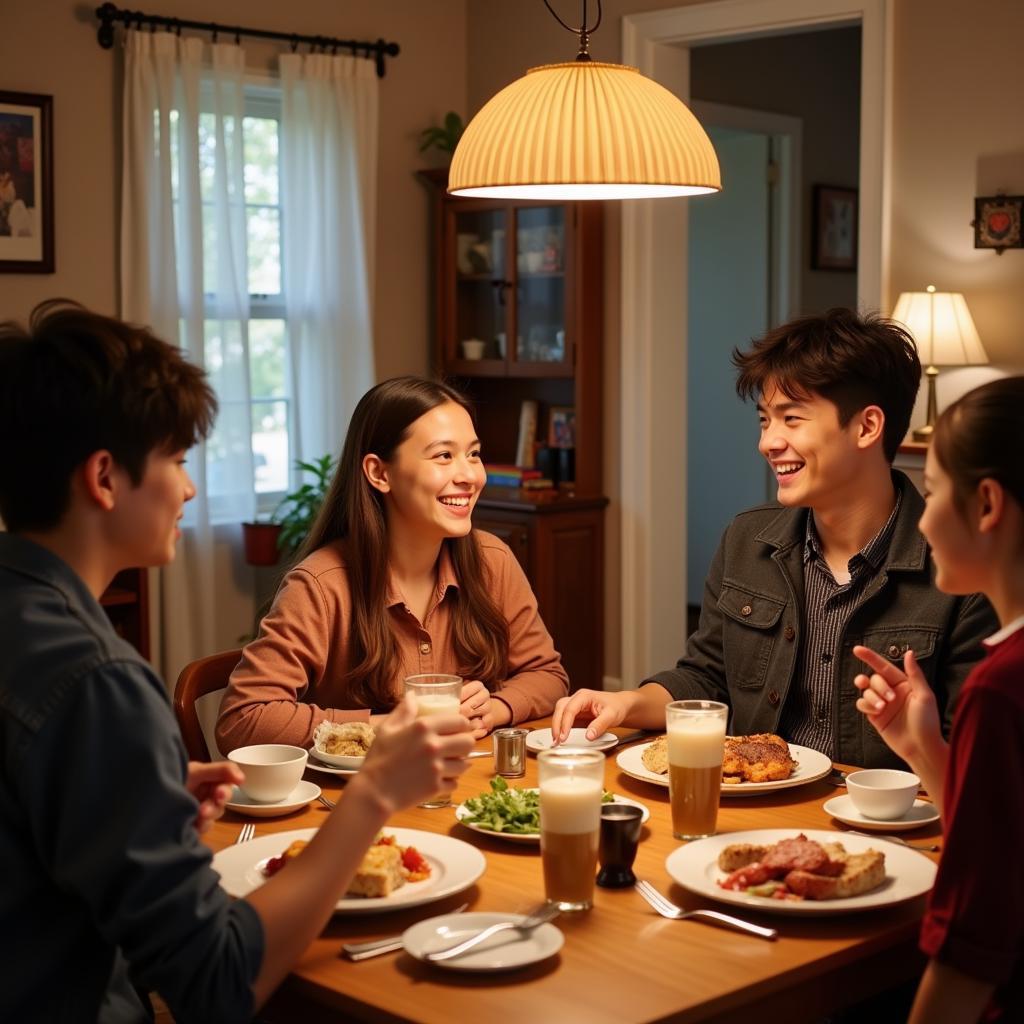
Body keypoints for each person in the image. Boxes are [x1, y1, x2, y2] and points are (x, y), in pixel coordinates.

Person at [0, 302, 474, 1023]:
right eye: (177, 460)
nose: (188, 489)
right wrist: (372, 795)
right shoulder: (99, 682)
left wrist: (135, 792)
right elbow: (216, 985)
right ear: (104, 478)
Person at [551, 308, 996, 768]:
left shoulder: (959, 569)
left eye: (792, 419)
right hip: (755, 809)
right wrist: (626, 703)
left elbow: (972, 756)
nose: (768, 442)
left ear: (867, 427)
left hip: (885, 827)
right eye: (765, 420)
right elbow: (706, 678)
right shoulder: (747, 539)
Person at [216, 376, 568, 753]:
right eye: (443, 456)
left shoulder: (491, 560)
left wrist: (496, 708)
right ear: (379, 473)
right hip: (359, 802)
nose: (468, 475)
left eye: (474, 454)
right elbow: (244, 718)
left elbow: (547, 675)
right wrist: (387, 727)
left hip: (466, 789)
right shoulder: (320, 585)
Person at [853, 377, 1024, 1023]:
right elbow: (1004, 840)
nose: (921, 519)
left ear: (986, 505)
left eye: (933, 491)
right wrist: (926, 747)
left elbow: (973, 939)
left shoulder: (1001, 687)